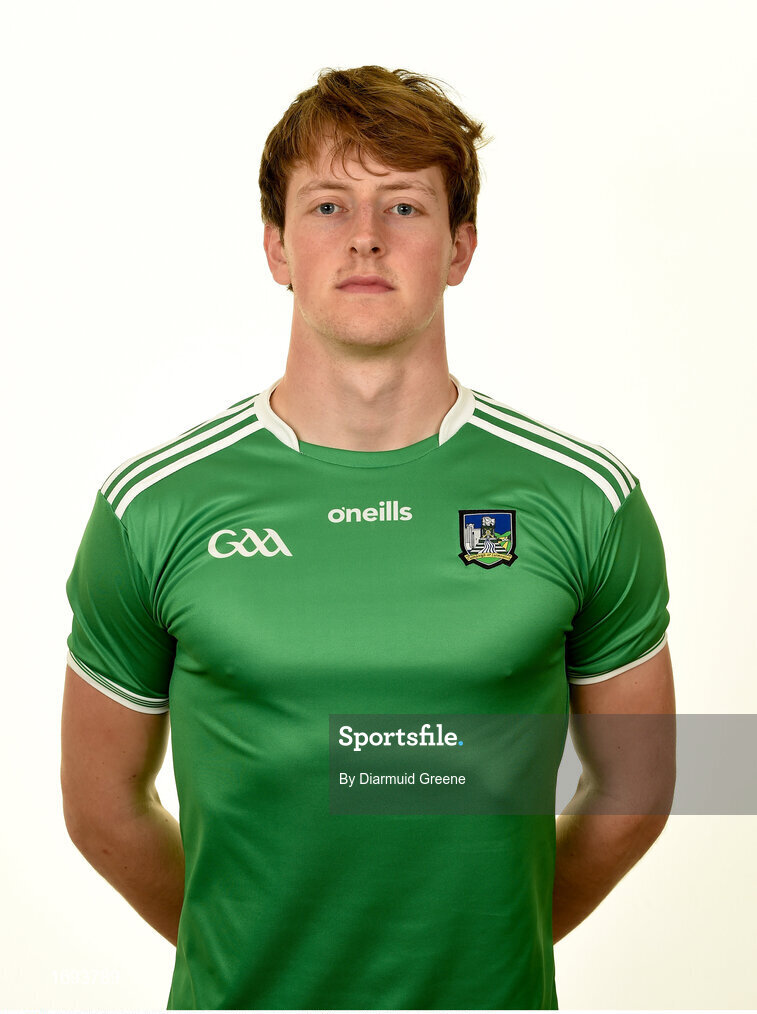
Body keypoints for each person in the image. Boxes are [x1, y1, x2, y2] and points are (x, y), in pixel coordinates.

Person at [60, 65, 676, 1010]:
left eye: (403, 206)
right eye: (326, 205)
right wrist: (260, 950)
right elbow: (101, 807)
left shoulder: (585, 499)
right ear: (275, 246)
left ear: (460, 246)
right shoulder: (153, 508)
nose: (363, 237)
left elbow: (639, 787)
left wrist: (486, 941)